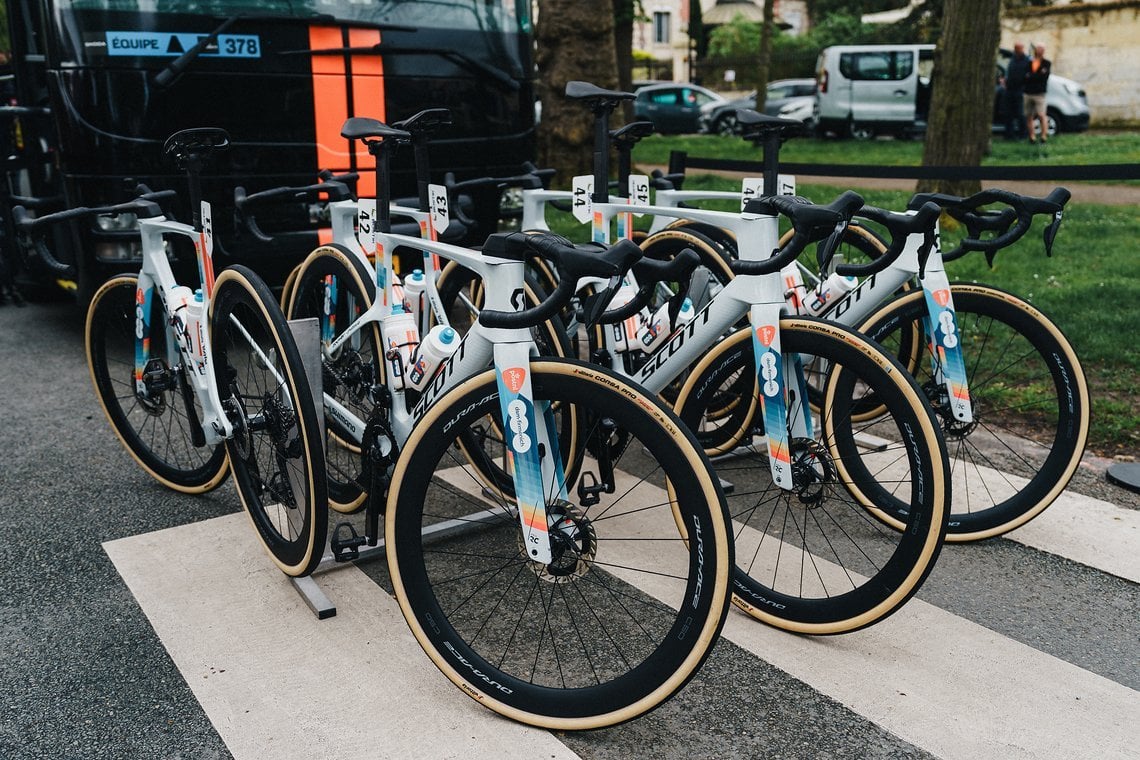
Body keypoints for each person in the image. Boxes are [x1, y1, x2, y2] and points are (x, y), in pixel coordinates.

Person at [1024, 44, 1051, 145]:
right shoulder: (1029, 62)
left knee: (1041, 115)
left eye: (1041, 49)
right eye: (1037, 49)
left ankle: (1044, 136)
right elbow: (1025, 76)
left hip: (1039, 94)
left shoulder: (1046, 63)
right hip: (1028, 93)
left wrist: (1031, 76)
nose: (1038, 51)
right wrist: (1037, 75)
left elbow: (1044, 77)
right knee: (1029, 116)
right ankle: (1032, 136)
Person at [1003, 43, 1030, 140]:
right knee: (1008, 113)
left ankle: (1023, 134)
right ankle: (1009, 135)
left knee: (1020, 114)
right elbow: (1007, 72)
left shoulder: (1027, 60)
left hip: (1020, 90)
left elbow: (1030, 74)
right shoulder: (1012, 59)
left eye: (1019, 48)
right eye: (1015, 49)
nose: (1017, 50)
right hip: (1009, 90)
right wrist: (1004, 80)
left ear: (1022, 49)